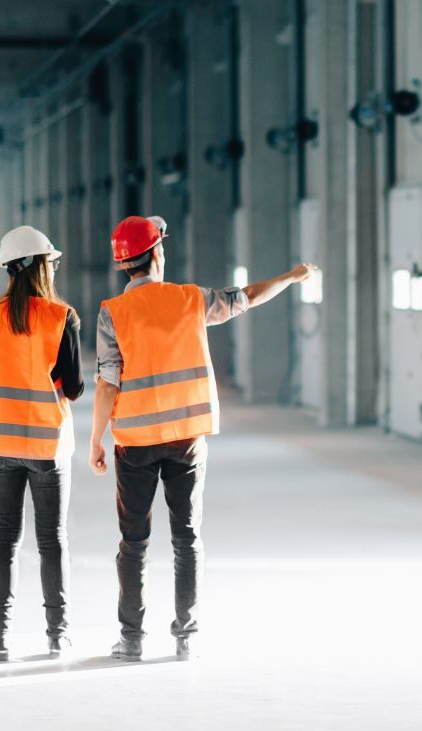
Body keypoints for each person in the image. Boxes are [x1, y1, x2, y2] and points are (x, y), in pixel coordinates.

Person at [90, 214, 318, 661]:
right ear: (158, 252)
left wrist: (97, 438)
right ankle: (185, 636)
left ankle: (132, 639)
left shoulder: (111, 313)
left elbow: (106, 382)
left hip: (134, 441)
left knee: (133, 542)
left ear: (124, 265)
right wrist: (292, 277)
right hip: (187, 438)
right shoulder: (191, 299)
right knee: (186, 537)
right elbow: (247, 297)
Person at [0, 225, 84, 662]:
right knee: (52, 541)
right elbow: (72, 387)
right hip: (47, 446)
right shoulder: (60, 316)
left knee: (4, 541)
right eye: (51, 261)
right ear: (40, 265)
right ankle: (57, 634)